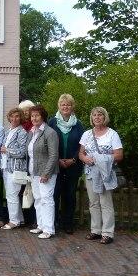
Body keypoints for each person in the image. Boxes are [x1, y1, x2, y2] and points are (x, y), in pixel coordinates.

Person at [79, 106, 124, 245]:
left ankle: (108, 233)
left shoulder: (112, 134)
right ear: (91, 118)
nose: (97, 117)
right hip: (90, 173)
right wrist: (85, 159)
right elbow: (81, 153)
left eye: (100, 115)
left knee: (106, 203)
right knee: (93, 203)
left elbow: (119, 155)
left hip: (105, 174)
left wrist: (102, 158)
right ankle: (96, 230)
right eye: (94, 115)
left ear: (105, 117)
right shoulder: (87, 134)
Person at [48, 94, 84, 234]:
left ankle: (68, 223)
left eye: (68, 104)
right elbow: (48, 143)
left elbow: (83, 145)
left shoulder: (78, 124)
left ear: (72, 106)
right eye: (63, 104)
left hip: (73, 165)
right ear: (59, 106)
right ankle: (54, 222)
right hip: (55, 165)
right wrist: (56, 159)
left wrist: (73, 159)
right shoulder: (52, 122)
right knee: (54, 194)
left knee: (69, 195)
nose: (65, 107)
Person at [26, 105, 59, 239]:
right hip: (34, 171)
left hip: (46, 172)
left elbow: (53, 155)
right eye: (32, 116)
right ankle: (40, 225)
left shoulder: (50, 132)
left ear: (43, 117)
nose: (34, 118)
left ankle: (49, 229)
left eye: (37, 115)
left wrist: (46, 173)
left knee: (46, 199)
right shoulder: (31, 132)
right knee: (38, 199)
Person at [0, 107, 28, 229]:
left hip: (16, 168)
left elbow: (22, 152)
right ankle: (20, 219)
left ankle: (13, 221)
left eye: (17, 116)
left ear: (20, 118)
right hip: (6, 167)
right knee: (12, 194)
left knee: (12, 194)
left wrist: (7, 150)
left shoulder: (22, 132)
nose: (14, 119)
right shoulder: (9, 131)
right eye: (12, 116)